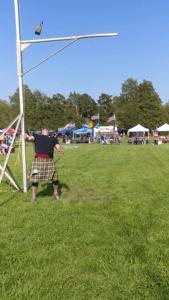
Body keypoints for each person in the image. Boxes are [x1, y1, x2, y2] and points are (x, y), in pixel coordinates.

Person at [24, 129, 64, 203]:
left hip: (49, 160)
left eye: (47, 129)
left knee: (55, 178)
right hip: (38, 160)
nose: (46, 129)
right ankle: (33, 197)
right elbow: (30, 138)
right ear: (41, 132)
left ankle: (55, 193)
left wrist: (60, 149)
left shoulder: (53, 138)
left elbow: (57, 145)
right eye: (44, 129)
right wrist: (26, 137)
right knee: (35, 179)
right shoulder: (37, 136)